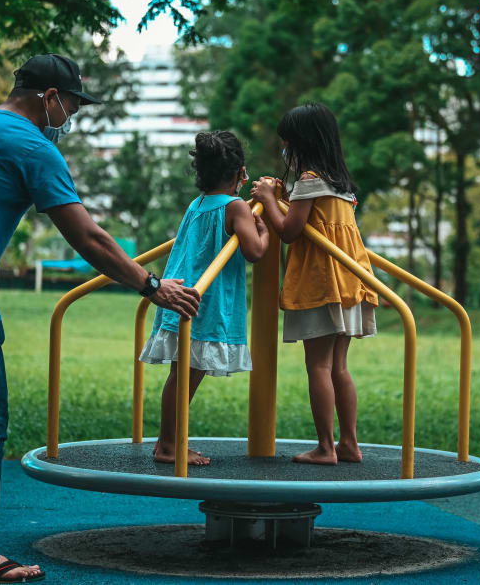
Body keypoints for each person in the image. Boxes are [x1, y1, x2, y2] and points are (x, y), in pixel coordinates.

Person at [0, 54, 200, 583]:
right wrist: (152, 285)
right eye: (69, 103)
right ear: (48, 97)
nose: (70, 114)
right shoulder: (34, 147)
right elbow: (87, 237)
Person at [250, 102, 378, 466]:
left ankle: (325, 447)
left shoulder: (309, 181)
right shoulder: (342, 186)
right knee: (339, 367)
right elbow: (309, 220)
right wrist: (282, 198)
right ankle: (349, 443)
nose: (285, 149)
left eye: (288, 142)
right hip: (350, 283)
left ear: (303, 142)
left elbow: (290, 231)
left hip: (322, 285)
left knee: (318, 367)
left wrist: (267, 199)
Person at [139, 131, 269, 466]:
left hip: (180, 294)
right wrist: (265, 231)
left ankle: (166, 442)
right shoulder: (236, 206)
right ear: (240, 174)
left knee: (178, 376)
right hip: (203, 303)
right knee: (186, 378)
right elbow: (254, 252)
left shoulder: (196, 205)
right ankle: (168, 445)